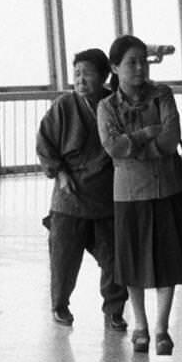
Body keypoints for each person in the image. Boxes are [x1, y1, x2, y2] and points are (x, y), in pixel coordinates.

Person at [97, 35, 182, 355]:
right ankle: (140, 325)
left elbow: (171, 138)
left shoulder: (162, 94)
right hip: (129, 194)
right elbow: (112, 146)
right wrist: (146, 134)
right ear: (115, 68)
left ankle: (162, 328)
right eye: (131, 62)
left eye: (143, 60)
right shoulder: (106, 106)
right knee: (132, 261)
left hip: (168, 187)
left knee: (168, 259)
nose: (140, 67)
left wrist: (138, 146)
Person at [36, 48, 129, 330]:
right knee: (63, 257)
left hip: (107, 195)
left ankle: (114, 310)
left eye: (86, 73)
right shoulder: (64, 106)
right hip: (70, 196)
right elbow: (45, 144)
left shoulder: (115, 105)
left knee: (116, 259)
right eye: (76, 73)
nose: (79, 79)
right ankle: (59, 305)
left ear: (103, 76)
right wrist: (60, 173)